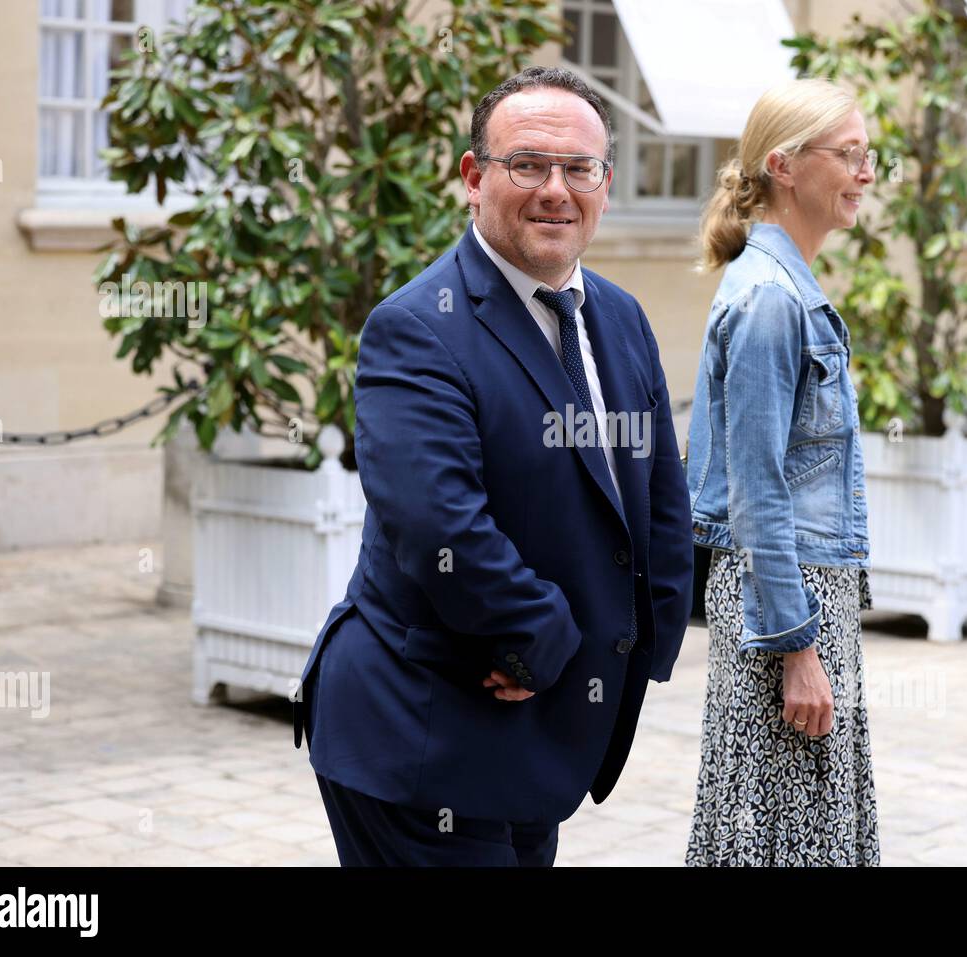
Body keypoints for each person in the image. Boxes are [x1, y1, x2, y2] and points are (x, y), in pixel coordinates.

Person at [292, 66, 695, 867]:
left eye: (579, 168)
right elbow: (440, 523)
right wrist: (541, 639)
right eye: (528, 164)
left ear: (605, 185)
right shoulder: (416, 328)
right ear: (474, 178)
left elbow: (655, 497)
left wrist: (646, 635)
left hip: (537, 730)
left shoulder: (618, 316)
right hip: (422, 733)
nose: (556, 189)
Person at [683, 77, 880, 866]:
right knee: (780, 837)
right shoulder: (770, 299)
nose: (867, 173)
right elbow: (757, 488)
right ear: (785, 166)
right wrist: (799, 646)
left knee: (791, 831)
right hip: (783, 604)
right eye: (851, 155)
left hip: (797, 591)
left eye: (872, 156)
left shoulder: (786, 286)